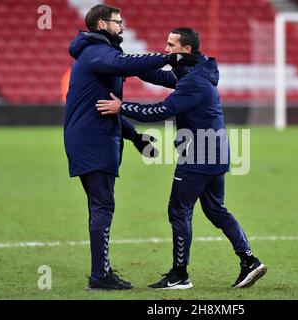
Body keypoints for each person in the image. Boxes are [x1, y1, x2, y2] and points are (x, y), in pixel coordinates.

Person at [95, 28, 267, 289]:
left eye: (170, 44)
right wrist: (125, 63)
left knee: (179, 209)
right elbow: (157, 75)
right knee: (215, 209)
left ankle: (180, 275)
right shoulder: (194, 71)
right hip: (216, 151)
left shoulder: (193, 81)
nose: (165, 49)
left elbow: (162, 110)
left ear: (185, 49)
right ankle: (249, 261)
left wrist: (123, 107)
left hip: (199, 154)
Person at [64, 5, 196, 291]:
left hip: (92, 139)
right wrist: (168, 57)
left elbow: (107, 108)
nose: (122, 27)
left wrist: (135, 138)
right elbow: (124, 65)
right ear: (102, 24)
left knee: (99, 206)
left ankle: (102, 271)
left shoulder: (98, 52)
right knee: (102, 206)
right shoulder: (98, 52)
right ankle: (100, 276)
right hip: (93, 143)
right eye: (118, 22)